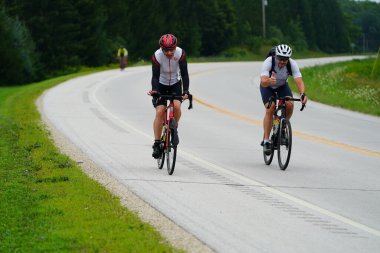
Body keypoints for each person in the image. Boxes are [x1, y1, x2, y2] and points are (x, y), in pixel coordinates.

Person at [147, 34, 190, 159]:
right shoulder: (157, 56)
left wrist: (186, 90)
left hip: (176, 84)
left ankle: (173, 127)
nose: (170, 52)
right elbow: (155, 76)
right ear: (162, 49)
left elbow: (184, 74)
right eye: (166, 50)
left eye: (172, 49)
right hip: (161, 84)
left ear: (175, 47)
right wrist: (155, 90)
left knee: (176, 106)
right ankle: (156, 143)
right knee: (160, 111)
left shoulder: (181, 54)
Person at [260, 44, 308, 155]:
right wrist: (268, 81)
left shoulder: (292, 64)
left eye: (285, 60)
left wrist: (302, 94)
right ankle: (266, 140)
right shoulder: (268, 62)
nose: (282, 62)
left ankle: (283, 127)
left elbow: (299, 80)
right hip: (267, 87)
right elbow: (263, 81)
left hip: (282, 86)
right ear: (276, 56)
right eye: (280, 59)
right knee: (270, 108)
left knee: (290, 104)